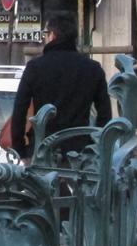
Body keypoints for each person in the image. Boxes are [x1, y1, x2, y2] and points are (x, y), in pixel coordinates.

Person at [10, 14, 112, 160]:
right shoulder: (93, 69)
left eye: (46, 34)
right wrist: (94, 144)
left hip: (42, 148)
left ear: (52, 35)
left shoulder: (35, 67)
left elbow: (20, 109)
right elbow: (104, 114)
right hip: (79, 150)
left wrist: (20, 149)